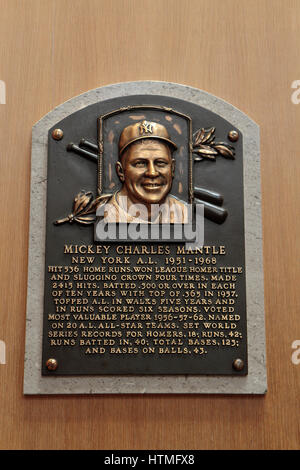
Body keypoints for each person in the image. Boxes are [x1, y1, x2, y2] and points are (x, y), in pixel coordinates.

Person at [98, 120, 188, 223]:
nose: (152, 173)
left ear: (172, 169)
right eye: (140, 163)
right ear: (121, 171)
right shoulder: (107, 217)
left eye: (160, 163)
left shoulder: (183, 214)